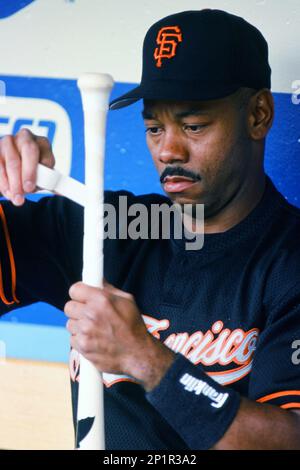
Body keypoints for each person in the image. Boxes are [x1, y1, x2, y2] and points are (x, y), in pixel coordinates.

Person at [0, 9, 300, 450]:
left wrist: (145, 359)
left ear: (258, 114)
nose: (168, 149)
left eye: (193, 125)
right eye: (154, 127)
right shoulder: (105, 227)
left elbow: (287, 441)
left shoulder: (289, 261)